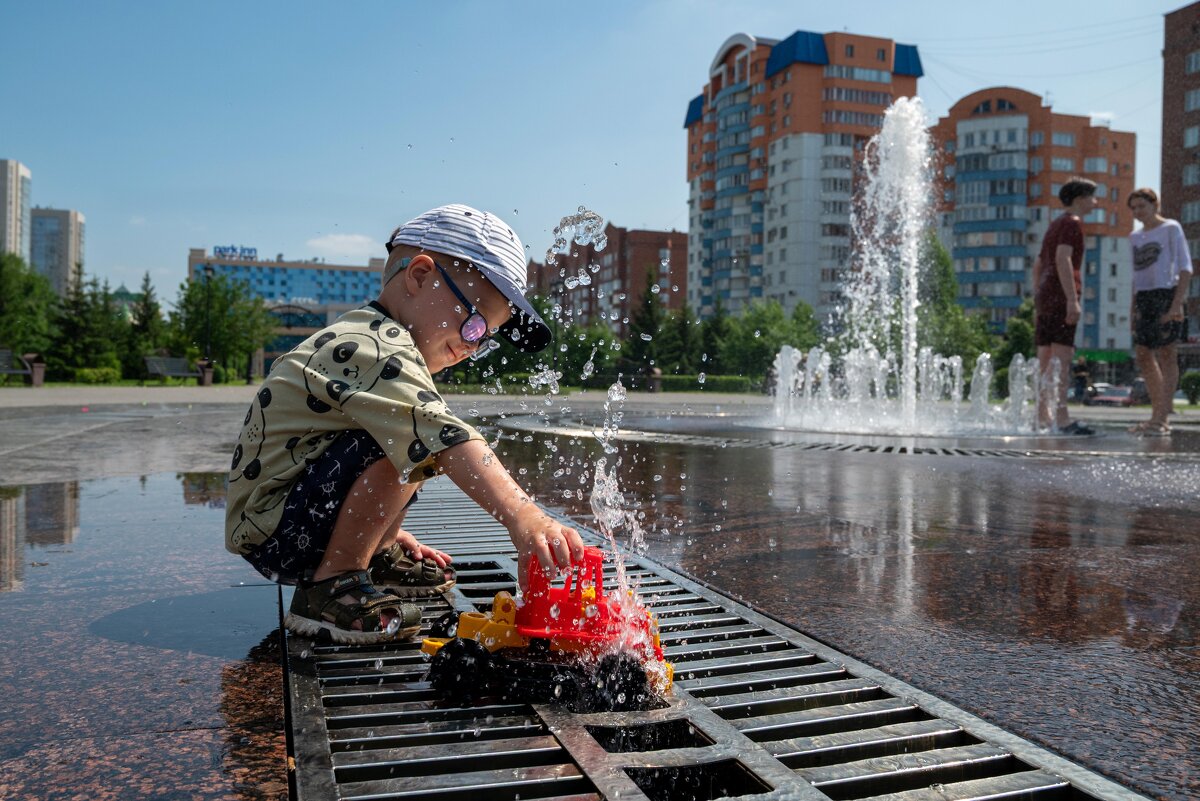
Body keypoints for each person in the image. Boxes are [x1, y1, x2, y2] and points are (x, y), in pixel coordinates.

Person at [224, 204, 585, 644]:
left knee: (412, 433)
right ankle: (330, 586)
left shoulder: (379, 341)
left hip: (285, 517)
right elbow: (447, 438)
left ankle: (372, 553)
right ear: (419, 275)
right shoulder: (372, 347)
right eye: (474, 323)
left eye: (485, 337)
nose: (472, 345)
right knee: (423, 435)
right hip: (278, 531)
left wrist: (381, 532)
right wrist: (525, 517)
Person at [1126, 188, 1193, 436]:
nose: (1137, 212)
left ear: (1155, 205)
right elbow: (1136, 276)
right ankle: (1156, 413)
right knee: (1143, 354)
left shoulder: (1171, 228)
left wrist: (1177, 304)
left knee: (1167, 354)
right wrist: (1132, 309)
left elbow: (1185, 268)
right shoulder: (1134, 236)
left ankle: (1162, 417)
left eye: (1142, 206)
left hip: (1167, 294)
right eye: (1133, 208)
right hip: (1144, 297)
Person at [1034, 177, 1097, 434]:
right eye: (1092, 197)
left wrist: (1038, 297)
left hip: (1045, 295)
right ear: (1080, 199)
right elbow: (1063, 258)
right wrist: (1072, 299)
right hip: (1060, 296)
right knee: (1062, 358)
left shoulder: (1054, 224)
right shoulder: (1072, 223)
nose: (1095, 202)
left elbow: (1038, 264)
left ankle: (1041, 417)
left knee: (1045, 359)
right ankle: (1062, 419)